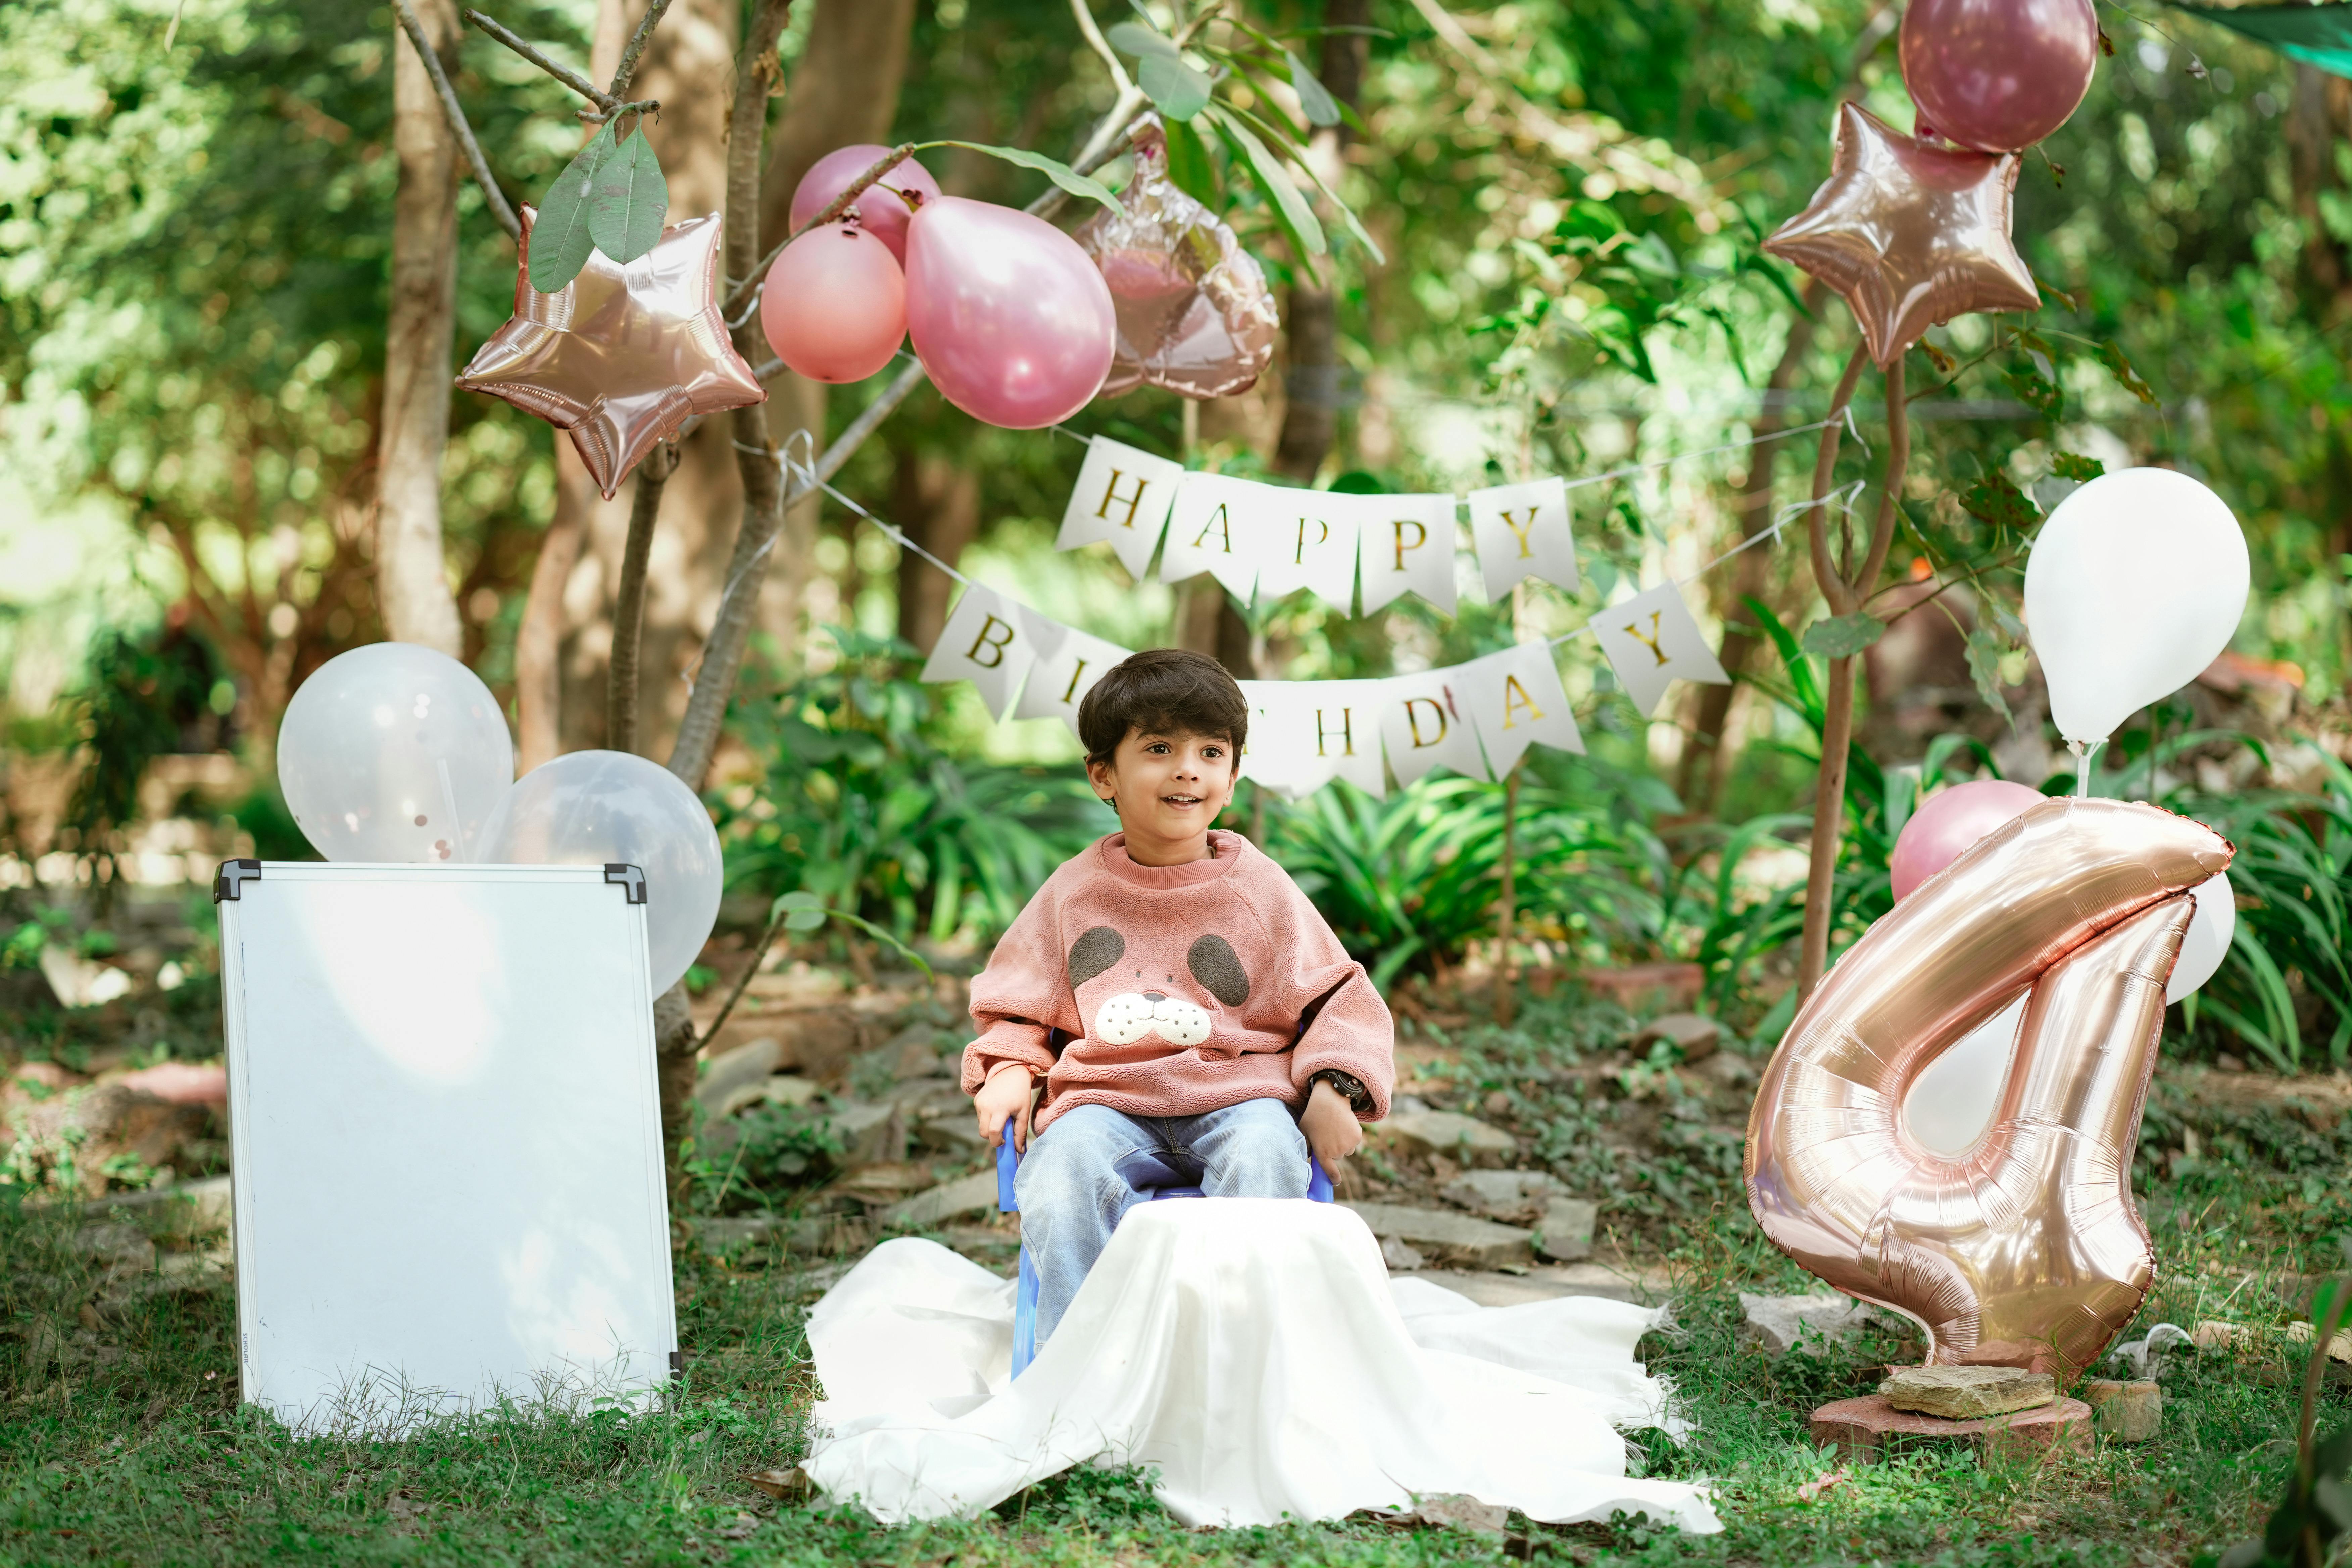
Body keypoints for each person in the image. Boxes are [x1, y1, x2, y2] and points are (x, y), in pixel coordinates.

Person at [962, 648, 1395, 1348]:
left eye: (1210, 751)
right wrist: (1010, 1066)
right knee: (1062, 1171)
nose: (1187, 767)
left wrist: (1334, 1084)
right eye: (1159, 747)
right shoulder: (1074, 891)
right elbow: (1017, 1003)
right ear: (1105, 772)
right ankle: (1083, 1364)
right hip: (1107, 1101)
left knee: (1263, 1154)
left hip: (1238, 1093)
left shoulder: (1260, 888)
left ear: (1232, 774)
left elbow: (1338, 995)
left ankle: (1236, 1355)